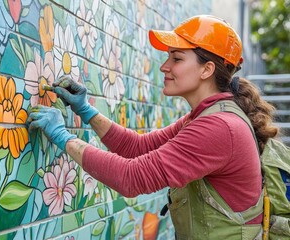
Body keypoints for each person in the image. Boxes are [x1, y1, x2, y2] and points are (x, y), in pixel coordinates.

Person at [27, 15, 279, 239]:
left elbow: (130, 178)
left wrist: (62, 136)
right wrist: (86, 111)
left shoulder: (219, 127)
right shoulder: (207, 116)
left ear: (207, 69)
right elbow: (136, 147)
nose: (164, 67)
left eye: (176, 58)